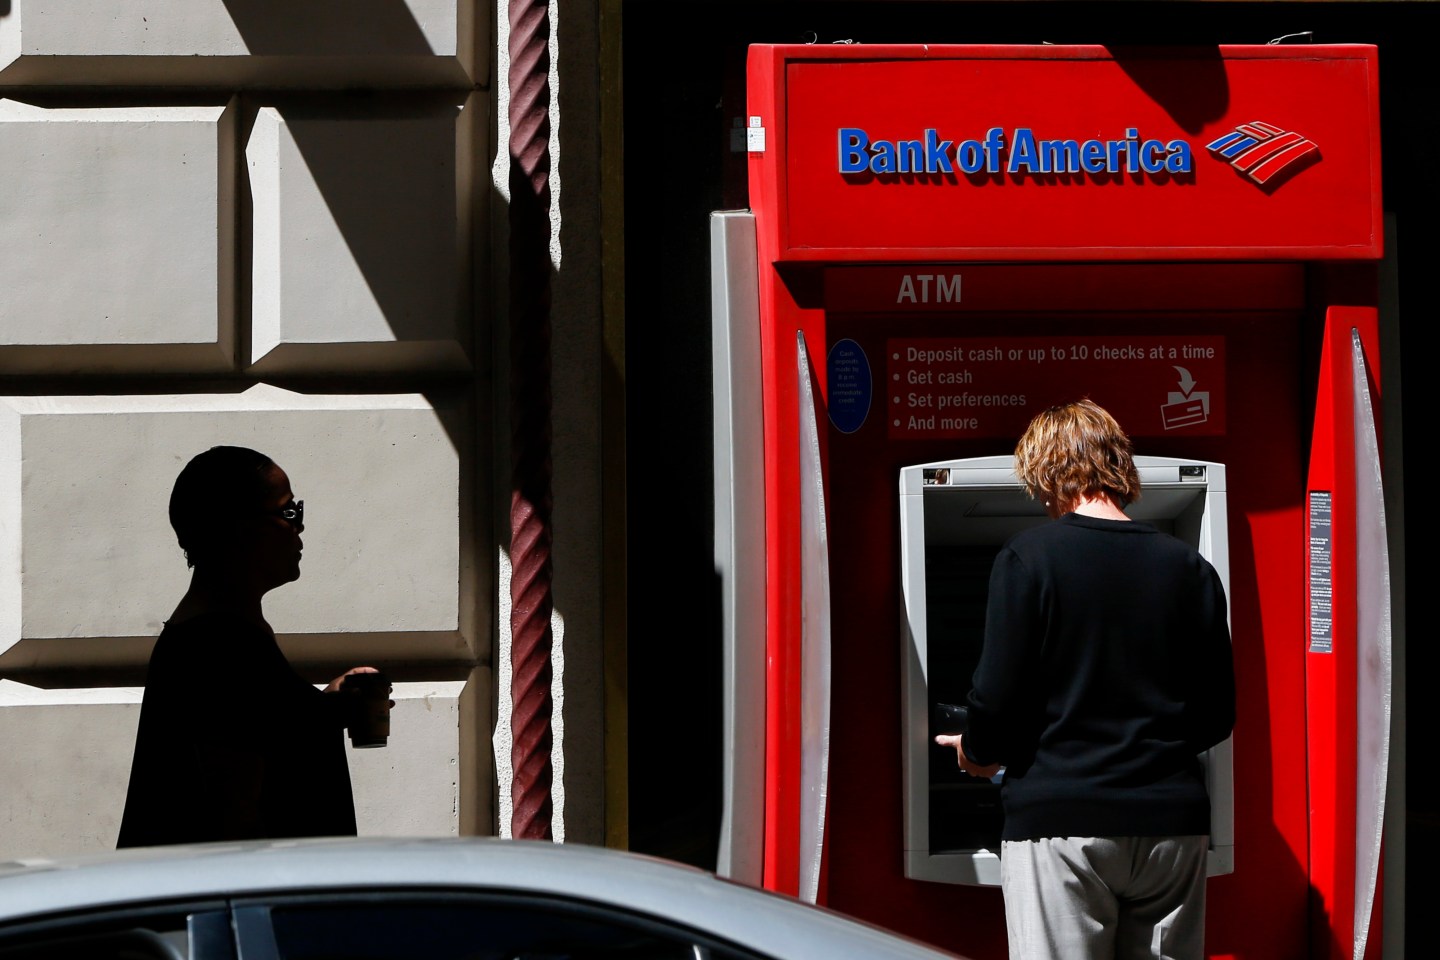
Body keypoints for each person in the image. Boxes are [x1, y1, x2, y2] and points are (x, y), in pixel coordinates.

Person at [935, 400, 1235, 960]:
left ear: (1044, 470)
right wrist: (1146, 752)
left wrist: (978, 750)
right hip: (1173, 824)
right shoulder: (1189, 567)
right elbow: (1218, 712)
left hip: (1062, 819)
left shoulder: (1029, 558)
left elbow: (996, 696)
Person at [117, 446, 381, 847]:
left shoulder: (223, 634)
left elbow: (263, 731)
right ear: (237, 528)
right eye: (288, 512)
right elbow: (235, 814)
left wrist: (323, 708)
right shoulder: (220, 648)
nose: (300, 527)